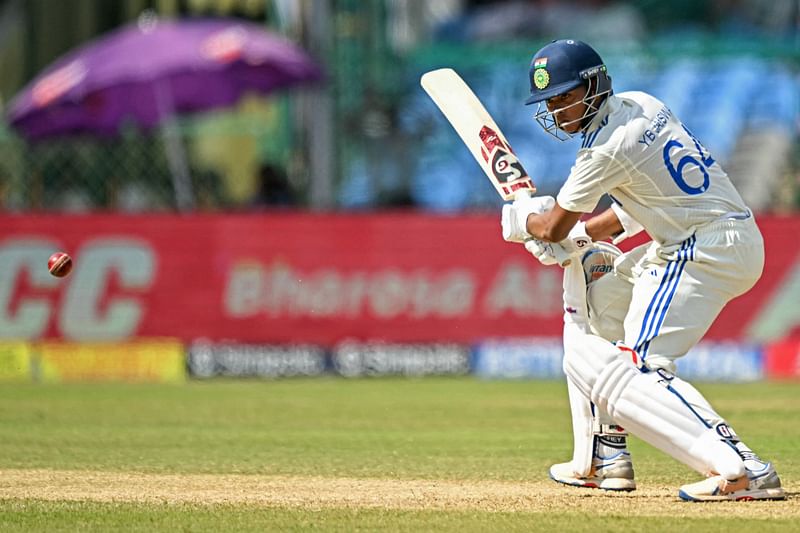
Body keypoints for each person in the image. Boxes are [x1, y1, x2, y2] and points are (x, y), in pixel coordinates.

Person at [500, 39, 785, 501]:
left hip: (702, 248)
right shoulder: (643, 105)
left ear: (594, 86)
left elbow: (551, 227)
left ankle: (743, 467)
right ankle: (608, 455)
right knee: (599, 291)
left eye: (565, 97)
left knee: (641, 367)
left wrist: (520, 221)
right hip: (719, 235)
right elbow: (643, 203)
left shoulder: (603, 151)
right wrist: (582, 237)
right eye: (550, 102)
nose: (556, 111)